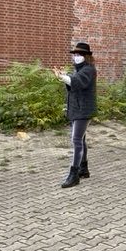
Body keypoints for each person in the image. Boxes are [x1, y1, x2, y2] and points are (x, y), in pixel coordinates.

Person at [53, 42, 97, 188]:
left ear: (86, 56)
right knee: (81, 139)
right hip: (76, 110)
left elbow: (77, 82)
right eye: (75, 55)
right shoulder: (79, 69)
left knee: (76, 140)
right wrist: (64, 76)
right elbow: (72, 82)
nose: (76, 57)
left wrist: (62, 77)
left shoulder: (89, 70)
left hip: (83, 111)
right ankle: (83, 169)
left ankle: (74, 174)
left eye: (79, 55)